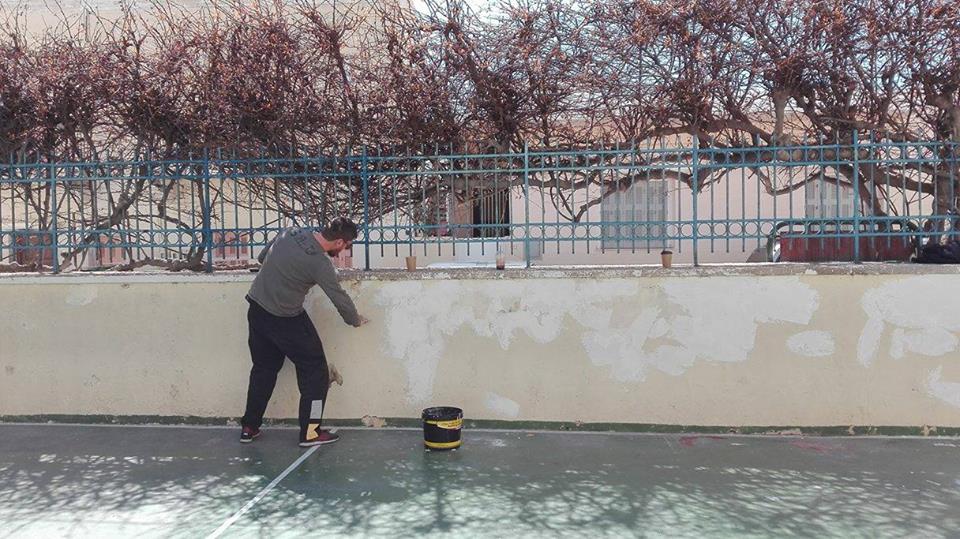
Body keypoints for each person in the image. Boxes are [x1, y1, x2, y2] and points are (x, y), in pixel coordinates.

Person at [240, 218, 367, 447]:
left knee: (263, 369)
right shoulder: (320, 263)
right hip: (286, 320)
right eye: (346, 246)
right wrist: (354, 319)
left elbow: (262, 257)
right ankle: (310, 432)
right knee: (316, 374)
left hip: (257, 310)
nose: (344, 250)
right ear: (339, 241)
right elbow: (338, 296)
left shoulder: (289, 233)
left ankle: (249, 427)